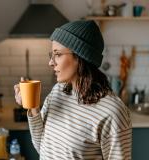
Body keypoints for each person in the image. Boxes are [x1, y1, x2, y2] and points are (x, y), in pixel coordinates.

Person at [14, 20, 132, 160]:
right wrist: (33, 107)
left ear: (81, 57)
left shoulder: (112, 111)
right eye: (51, 55)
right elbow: (43, 147)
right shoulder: (58, 92)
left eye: (57, 54)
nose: (51, 62)